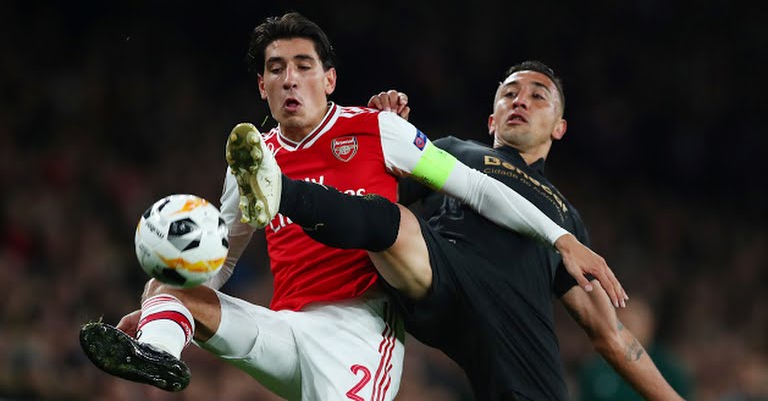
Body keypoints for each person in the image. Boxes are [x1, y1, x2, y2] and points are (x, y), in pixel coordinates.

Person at [79, 12, 621, 400]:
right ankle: (156, 352)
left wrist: (560, 237)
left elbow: (476, 187)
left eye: (303, 65)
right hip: (283, 326)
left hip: (357, 330)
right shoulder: (250, 157)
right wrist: (163, 313)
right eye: (276, 68)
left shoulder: (378, 130)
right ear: (262, 86)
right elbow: (220, 262)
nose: (290, 78)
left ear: (329, 79)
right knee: (170, 282)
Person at [230, 60, 683, 400]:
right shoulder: (457, 154)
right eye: (509, 94)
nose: (520, 100)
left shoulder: (564, 215)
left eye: (538, 96)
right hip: (444, 275)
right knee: (387, 217)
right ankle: (280, 190)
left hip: (514, 328)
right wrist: (380, 130)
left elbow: (610, 335)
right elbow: (365, 187)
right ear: (492, 120)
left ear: (559, 128)